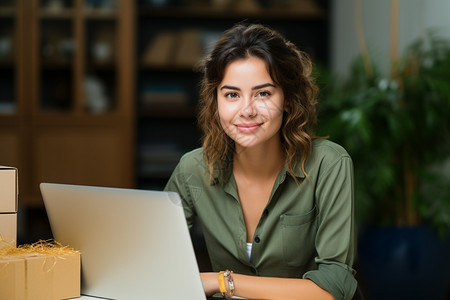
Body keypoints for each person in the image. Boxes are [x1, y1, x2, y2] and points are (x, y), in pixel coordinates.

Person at [164, 23, 357, 300]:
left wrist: (222, 281)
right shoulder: (193, 169)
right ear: (216, 103)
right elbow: (156, 257)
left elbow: (334, 285)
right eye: (232, 94)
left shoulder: (329, 164)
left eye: (263, 93)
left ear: (288, 100)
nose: (247, 110)